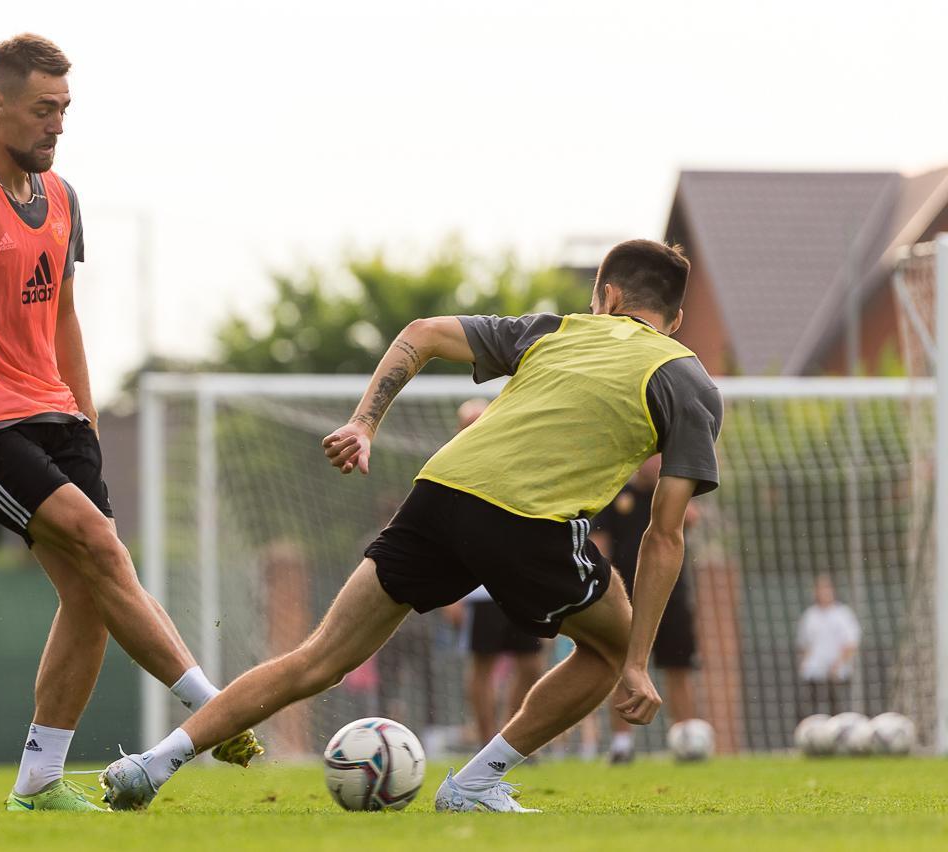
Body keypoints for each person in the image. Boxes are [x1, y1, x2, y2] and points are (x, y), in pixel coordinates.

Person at [102, 238, 723, 813]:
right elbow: (665, 533)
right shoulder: (686, 378)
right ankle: (474, 785)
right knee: (609, 647)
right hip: (529, 519)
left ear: (607, 297)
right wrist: (637, 661)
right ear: (674, 320)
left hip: (441, 492)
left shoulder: (555, 330)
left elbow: (422, 333)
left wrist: (364, 423)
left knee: (318, 657)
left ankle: (151, 766)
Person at [0, 33, 260, 812]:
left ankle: (37, 782)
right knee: (104, 548)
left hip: (56, 415)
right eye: (42, 109)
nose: (57, 124)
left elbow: (64, 317)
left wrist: (86, 419)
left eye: (65, 109)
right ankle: (214, 707)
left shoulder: (62, 198)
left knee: (93, 592)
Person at [445, 400, 547, 749]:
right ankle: (486, 742)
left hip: (519, 587)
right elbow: (445, 536)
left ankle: (509, 738)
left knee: (531, 664)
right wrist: (450, 597)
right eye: (469, 423)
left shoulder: (514, 464)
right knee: (483, 664)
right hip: (478, 591)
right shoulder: (450, 471)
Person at [590, 454, 701, 763]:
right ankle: (622, 745)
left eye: (663, 459)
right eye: (653, 459)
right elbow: (599, 546)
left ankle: (687, 739)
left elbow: (692, 519)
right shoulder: (615, 495)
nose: (658, 465)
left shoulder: (670, 493)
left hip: (671, 598)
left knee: (679, 667)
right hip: (626, 599)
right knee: (624, 669)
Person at [796, 575, 861, 717]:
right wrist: (804, 664)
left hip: (837, 673)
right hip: (814, 672)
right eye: (820, 589)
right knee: (808, 710)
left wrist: (838, 664)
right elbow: (804, 644)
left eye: (827, 588)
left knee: (837, 710)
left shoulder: (843, 614)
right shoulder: (810, 615)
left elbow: (851, 643)